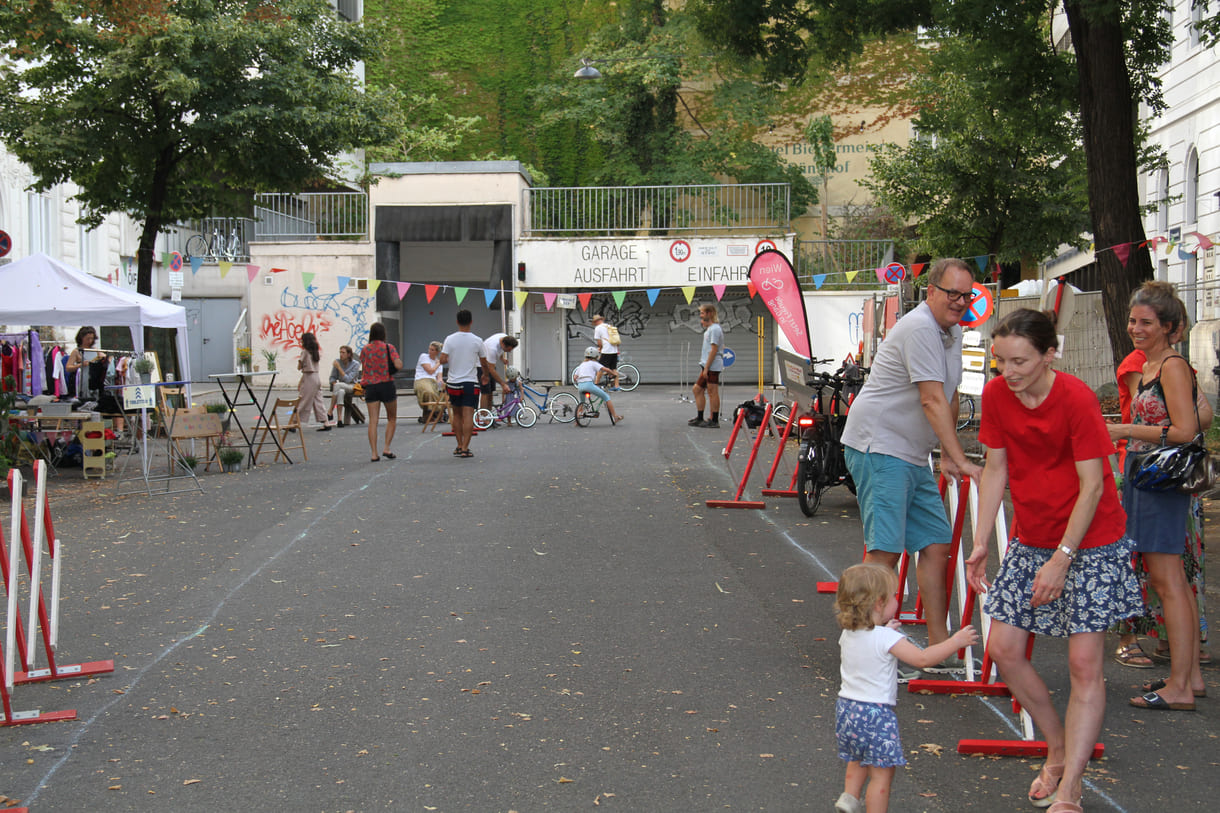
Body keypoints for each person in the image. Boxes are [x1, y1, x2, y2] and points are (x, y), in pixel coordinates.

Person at [965, 309, 1143, 813]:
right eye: (1001, 362)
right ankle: (1058, 748)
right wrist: (982, 542)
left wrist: (1063, 559)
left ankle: (1070, 789)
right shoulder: (998, 395)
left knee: (1085, 664)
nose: (1009, 372)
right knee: (1003, 649)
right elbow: (995, 468)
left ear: (1049, 355)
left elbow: (1093, 485)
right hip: (1033, 535)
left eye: (1020, 361)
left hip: (1089, 541)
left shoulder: (1076, 399)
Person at [840, 258, 983, 663]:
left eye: (965, 295)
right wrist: (957, 457)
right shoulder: (920, 327)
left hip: (911, 452)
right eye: (951, 293)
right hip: (880, 445)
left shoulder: (951, 333)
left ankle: (937, 645)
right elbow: (930, 398)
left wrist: (944, 453)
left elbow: (950, 395)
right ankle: (863, 646)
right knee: (885, 552)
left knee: (936, 544)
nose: (958, 302)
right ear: (931, 291)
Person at [1105, 281, 1208, 711]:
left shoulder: (1171, 366)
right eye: (1132, 320)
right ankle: (1188, 677)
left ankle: (1181, 687)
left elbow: (1188, 429)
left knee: (1168, 582)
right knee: (1170, 582)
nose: (1136, 328)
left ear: (1168, 327)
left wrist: (1127, 430)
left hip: (1161, 483)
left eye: (1146, 322)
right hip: (1146, 479)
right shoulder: (1150, 366)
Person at [833, 563, 977, 813]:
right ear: (879, 603)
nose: (895, 601)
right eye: (892, 597)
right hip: (876, 714)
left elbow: (870, 643)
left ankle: (849, 796)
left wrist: (884, 630)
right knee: (882, 774)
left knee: (856, 758)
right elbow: (923, 659)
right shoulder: (887, 639)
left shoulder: (849, 633)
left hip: (846, 709)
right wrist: (955, 641)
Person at [440, 309, 485, 458]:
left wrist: (453, 358)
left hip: (453, 382)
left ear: (457, 321)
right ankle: (466, 448)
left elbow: (442, 359)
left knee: (457, 415)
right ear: (471, 322)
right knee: (468, 415)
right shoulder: (477, 340)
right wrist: (485, 375)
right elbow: (484, 361)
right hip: (470, 383)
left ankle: (459, 445)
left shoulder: (449, 339)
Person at [359, 322, 402, 462]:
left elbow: (363, 365)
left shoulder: (365, 349)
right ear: (384, 334)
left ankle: (373, 453)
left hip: (371, 386)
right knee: (391, 418)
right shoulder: (389, 348)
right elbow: (398, 365)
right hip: (386, 384)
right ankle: (386, 448)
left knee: (373, 420)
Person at [688, 304, 724, 428]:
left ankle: (714, 420)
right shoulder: (710, 329)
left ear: (709, 313)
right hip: (706, 365)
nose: (701, 316)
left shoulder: (715, 329)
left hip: (712, 366)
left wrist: (707, 367)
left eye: (702, 313)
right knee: (697, 389)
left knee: (712, 392)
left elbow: (714, 349)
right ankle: (700, 417)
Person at [572, 346, 624, 425]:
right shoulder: (594, 363)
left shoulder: (582, 364)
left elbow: (575, 377)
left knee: (582, 402)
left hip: (580, 386)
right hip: (589, 384)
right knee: (606, 397)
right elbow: (605, 369)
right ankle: (615, 416)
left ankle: (577, 421)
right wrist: (613, 374)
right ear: (596, 356)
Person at [296, 332, 332, 430]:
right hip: (316, 376)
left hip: (308, 377)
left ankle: (294, 422)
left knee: (303, 400)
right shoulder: (316, 352)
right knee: (318, 400)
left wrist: (302, 365)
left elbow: (299, 367)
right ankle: (326, 422)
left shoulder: (305, 352)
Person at [479, 331, 519, 411]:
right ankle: (484, 418)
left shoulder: (504, 337)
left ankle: (489, 417)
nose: (510, 351)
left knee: (491, 392)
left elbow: (501, 350)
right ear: (504, 345)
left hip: (490, 364)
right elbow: (491, 369)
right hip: (481, 366)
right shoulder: (492, 349)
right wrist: (503, 384)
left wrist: (501, 359)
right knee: (485, 392)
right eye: (509, 349)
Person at [327, 345, 362, 427]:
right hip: (340, 386)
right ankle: (339, 420)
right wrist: (333, 383)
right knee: (340, 391)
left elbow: (348, 380)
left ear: (349, 354)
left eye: (343, 353)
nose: (341, 355)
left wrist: (339, 368)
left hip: (351, 386)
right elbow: (332, 378)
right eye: (340, 352)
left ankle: (330, 411)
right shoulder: (338, 361)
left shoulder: (355, 364)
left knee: (339, 386)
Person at [413, 341, 445, 424]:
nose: (430, 351)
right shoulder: (424, 356)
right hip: (422, 380)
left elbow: (439, 377)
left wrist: (441, 383)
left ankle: (432, 415)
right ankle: (436, 413)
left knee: (444, 392)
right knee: (429, 392)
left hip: (433, 382)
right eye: (430, 349)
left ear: (437, 352)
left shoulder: (438, 362)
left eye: (433, 350)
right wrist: (438, 364)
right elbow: (430, 371)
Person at [591, 313, 620, 389]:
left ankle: (595, 384)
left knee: (600, 367)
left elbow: (599, 342)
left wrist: (600, 349)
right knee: (613, 368)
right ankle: (617, 386)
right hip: (614, 350)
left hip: (607, 350)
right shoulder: (609, 326)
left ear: (596, 321)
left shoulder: (598, 328)